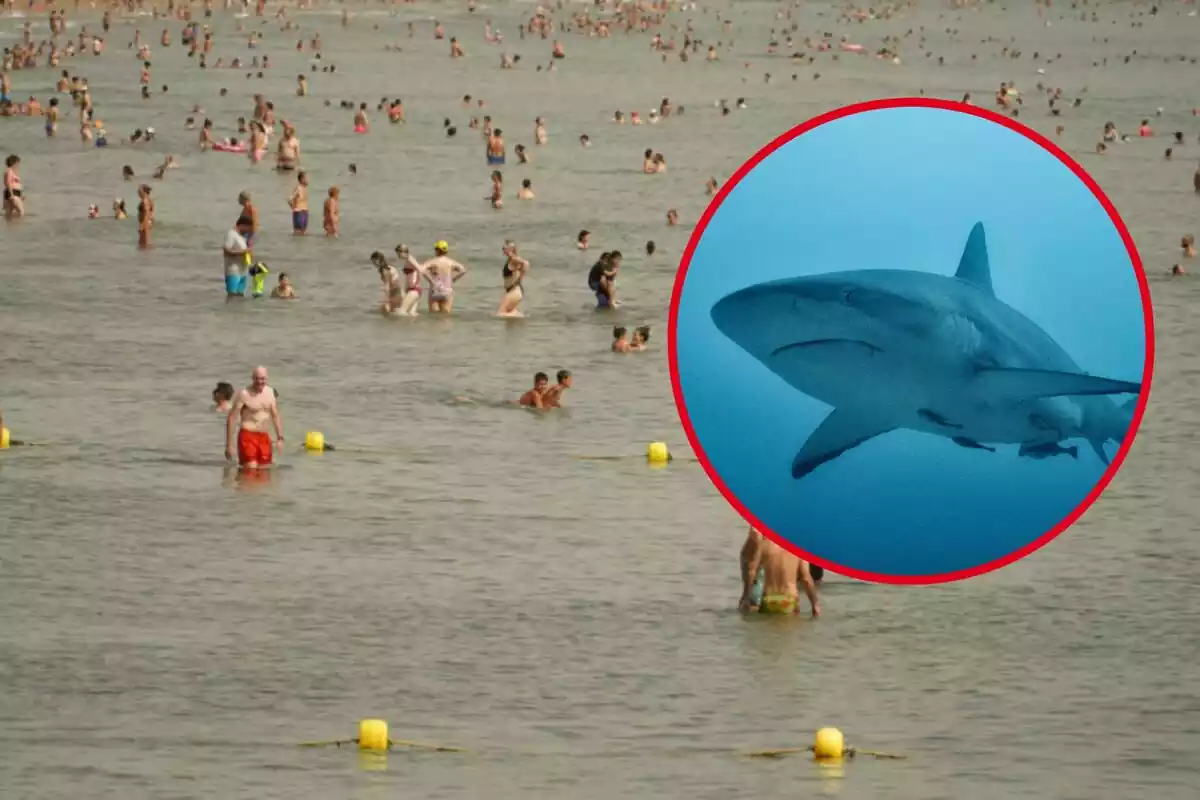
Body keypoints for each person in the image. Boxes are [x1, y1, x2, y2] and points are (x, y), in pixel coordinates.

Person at [738, 525, 819, 618]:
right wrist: (815, 604)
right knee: (790, 629)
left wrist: (746, 596)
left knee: (768, 628)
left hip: (769, 599)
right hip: (789, 600)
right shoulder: (799, 546)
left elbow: (751, 571)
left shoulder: (764, 543)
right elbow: (806, 578)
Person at [225, 366, 284, 469]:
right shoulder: (244, 394)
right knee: (250, 470)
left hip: (264, 437)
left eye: (262, 379)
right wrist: (229, 445)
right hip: (247, 436)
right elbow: (232, 418)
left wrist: (279, 438)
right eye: (257, 378)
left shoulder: (270, 393)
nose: (259, 381)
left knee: (264, 472)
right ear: (252, 378)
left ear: (267, 379)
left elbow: (275, 416)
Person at [423, 240, 468, 314]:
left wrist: (430, 280)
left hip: (435, 289)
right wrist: (453, 279)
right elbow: (463, 270)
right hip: (447, 290)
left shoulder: (433, 262)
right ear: (446, 251)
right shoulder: (451, 262)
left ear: (437, 250)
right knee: (446, 316)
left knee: (433, 315)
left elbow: (422, 270)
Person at [497, 240, 529, 317]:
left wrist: (519, 279)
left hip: (514, 291)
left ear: (511, 249)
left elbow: (526, 264)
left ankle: (520, 316)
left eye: (505, 248)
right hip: (512, 291)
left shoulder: (514, 259)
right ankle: (519, 318)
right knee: (509, 318)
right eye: (503, 248)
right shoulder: (511, 260)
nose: (503, 250)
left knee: (500, 314)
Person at [223, 219, 252, 297]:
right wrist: (243, 252)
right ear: (242, 225)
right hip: (233, 271)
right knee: (232, 296)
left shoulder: (242, 236)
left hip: (243, 271)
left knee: (240, 297)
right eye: (248, 228)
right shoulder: (231, 234)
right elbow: (226, 251)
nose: (248, 231)